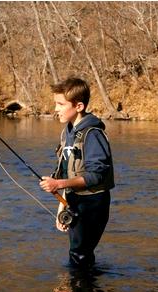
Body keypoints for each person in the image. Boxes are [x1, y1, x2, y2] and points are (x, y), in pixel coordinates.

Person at [40, 77, 115, 268]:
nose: (56, 109)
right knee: (78, 253)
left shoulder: (93, 134)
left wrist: (58, 185)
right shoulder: (68, 132)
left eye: (60, 104)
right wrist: (61, 207)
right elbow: (66, 172)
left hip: (93, 203)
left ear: (79, 106)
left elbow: (96, 175)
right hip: (73, 200)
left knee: (79, 254)